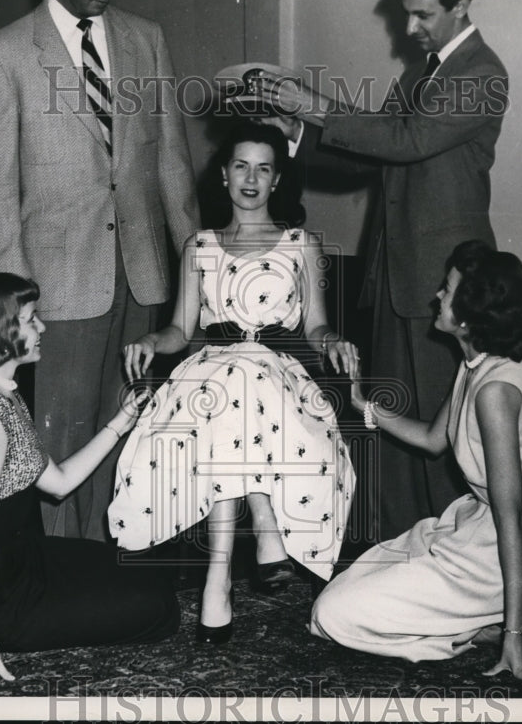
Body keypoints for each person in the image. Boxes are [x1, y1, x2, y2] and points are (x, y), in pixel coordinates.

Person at [257, 0, 509, 542]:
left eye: (422, 16)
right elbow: (374, 153)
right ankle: (398, 552)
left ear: (461, 5)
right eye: (407, 16)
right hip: (395, 275)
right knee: (391, 428)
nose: (411, 29)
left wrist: (313, 105)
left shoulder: (483, 74)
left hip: (449, 286)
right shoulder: (419, 74)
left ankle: (455, 558)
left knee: (448, 441)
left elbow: (408, 138)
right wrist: (296, 130)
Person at [0, 0, 200, 543]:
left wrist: (200, 271)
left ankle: (103, 564)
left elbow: (173, 165)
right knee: (59, 437)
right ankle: (62, 572)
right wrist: (15, 302)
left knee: (123, 427)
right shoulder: (6, 52)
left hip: (141, 272)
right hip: (55, 282)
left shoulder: (145, 39)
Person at [107, 123, 358, 643]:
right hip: (216, 378)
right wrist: (154, 341)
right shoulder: (199, 246)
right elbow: (181, 329)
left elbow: (314, 325)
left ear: (276, 179)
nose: (251, 178)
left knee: (240, 384)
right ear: (223, 176)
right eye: (241, 166)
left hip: (276, 381)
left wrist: (333, 339)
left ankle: (215, 581)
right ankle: (261, 527)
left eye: (263, 168)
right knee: (228, 398)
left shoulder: (300, 244)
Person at [310, 242, 522, 689]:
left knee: (332, 616)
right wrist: (361, 404)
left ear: (467, 315)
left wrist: (515, 640)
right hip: (476, 526)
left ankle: (495, 628)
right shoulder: (476, 365)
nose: (436, 297)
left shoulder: (495, 391)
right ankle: (485, 621)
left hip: (507, 542)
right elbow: (433, 440)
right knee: (348, 588)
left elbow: (510, 518)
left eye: (446, 291)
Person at [0, 273, 179, 685]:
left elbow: (60, 482)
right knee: (157, 609)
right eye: (31, 319)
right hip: (1, 598)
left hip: (24, 559)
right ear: (0, 331)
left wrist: (123, 420)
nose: (42, 327)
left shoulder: (1, 393)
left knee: (144, 571)